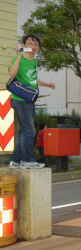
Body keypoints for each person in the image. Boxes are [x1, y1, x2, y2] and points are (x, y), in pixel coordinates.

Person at [8, 34, 56, 169]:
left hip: (29, 99)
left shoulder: (34, 61)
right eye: (29, 43)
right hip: (19, 99)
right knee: (29, 130)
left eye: (36, 44)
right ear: (24, 46)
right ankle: (28, 160)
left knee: (25, 130)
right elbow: (12, 74)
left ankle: (15, 161)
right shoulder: (20, 59)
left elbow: (33, 80)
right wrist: (18, 56)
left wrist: (47, 84)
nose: (33, 46)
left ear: (38, 48)